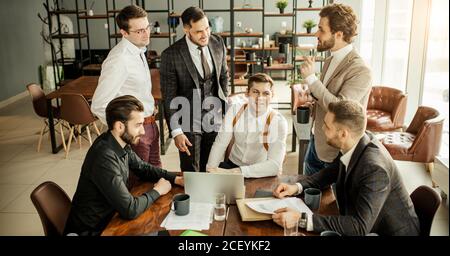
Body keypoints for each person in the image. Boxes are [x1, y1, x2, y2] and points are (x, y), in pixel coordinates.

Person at [272, 100, 420, 236]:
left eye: (327, 126)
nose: (322, 128)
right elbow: (332, 171)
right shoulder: (356, 140)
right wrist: (296, 187)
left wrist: (302, 219)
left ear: (343, 134)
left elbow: (359, 227)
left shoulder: (375, 169)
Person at [64, 95, 184, 236]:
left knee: (166, 230)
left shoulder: (119, 143)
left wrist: (175, 179)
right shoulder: (104, 157)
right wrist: (158, 190)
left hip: (112, 218)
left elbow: (143, 168)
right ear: (120, 126)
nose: (143, 131)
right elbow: (130, 209)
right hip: (95, 230)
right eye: (138, 125)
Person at [296, 3, 372, 175]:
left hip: (335, 153)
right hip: (317, 141)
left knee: (328, 201)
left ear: (338, 34)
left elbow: (340, 109)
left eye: (321, 30)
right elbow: (325, 94)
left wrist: (311, 79)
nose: (316, 34)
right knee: (308, 195)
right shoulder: (330, 60)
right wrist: (311, 96)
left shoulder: (360, 70)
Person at [91, 5, 161, 176]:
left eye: (147, 27)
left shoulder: (138, 50)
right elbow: (98, 105)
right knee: (137, 185)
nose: (146, 34)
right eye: (139, 31)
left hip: (151, 124)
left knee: (156, 176)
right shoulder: (119, 59)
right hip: (135, 131)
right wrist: (123, 131)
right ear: (124, 32)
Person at [160, 6, 228, 172]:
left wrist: (225, 109)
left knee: (213, 167)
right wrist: (176, 131)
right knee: (191, 171)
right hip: (188, 119)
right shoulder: (171, 54)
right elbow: (169, 96)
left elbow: (223, 76)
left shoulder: (217, 42)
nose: (205, 34)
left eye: (207, 28)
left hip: (214, 116)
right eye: (199, 31)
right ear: (186, 29)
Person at [206, 73, 288, 178]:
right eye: (255, 92)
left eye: (266, 93)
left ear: (272, 95)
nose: (260, 98)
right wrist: (210, 171)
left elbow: (275, 166)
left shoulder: (279, 122)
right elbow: (220, 144)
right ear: (247, 93)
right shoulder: (235, 110)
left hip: (260, 170)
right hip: (231, 165)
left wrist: (235, 172)